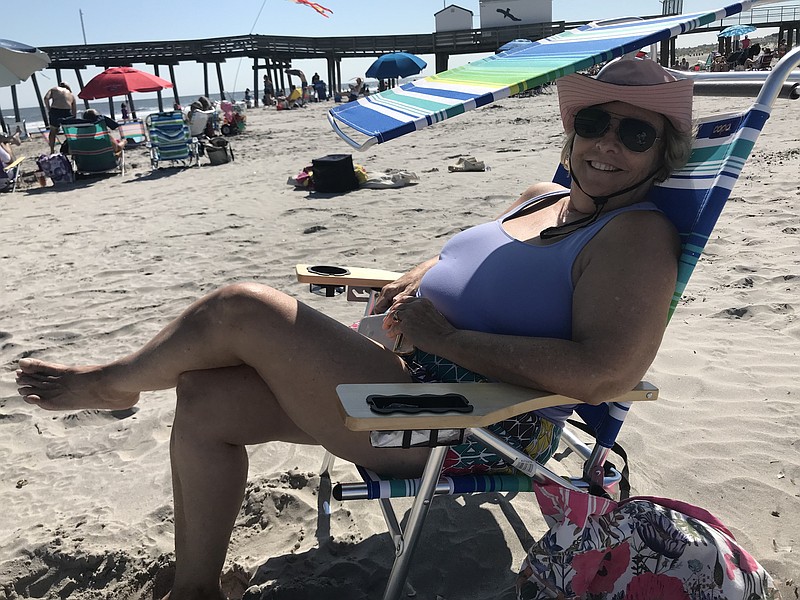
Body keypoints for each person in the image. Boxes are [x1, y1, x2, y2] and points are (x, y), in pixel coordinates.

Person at [16, 57, 694, 600]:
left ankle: (112, 385)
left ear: (662, 155)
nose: (608, 142)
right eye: (596, 122)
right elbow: (480, 255)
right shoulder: (540, 198)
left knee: (240, 308)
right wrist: (417, 272)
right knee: (204, 398)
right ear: (572, 132)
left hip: (467, 421)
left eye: (636, 134)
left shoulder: (633, 234)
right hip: (403, 378)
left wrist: (446, 340)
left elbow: (608, 373)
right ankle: (195, 587)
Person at [43, 82, 77, 154]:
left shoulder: (53, 89)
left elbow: (46, 98)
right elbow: (74, 110)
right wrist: (73, 119)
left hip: (55, 110)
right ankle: (71, 149)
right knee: (69, 132)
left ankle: (52, 150)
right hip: (67, 112)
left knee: (53, 132)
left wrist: (49, 109)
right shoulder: (71, 95)